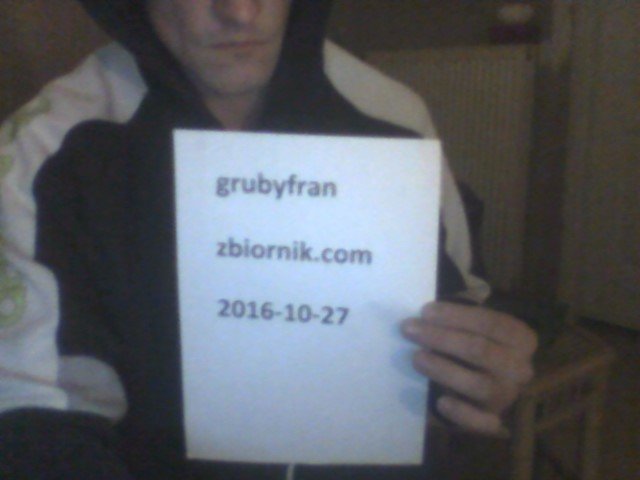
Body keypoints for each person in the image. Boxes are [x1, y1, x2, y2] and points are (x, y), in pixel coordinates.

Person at [0, 1, 537, 479]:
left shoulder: (395, 118)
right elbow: (34, 416)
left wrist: (474, 376)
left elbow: (451, 310)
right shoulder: (46, 151)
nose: (240, 11)